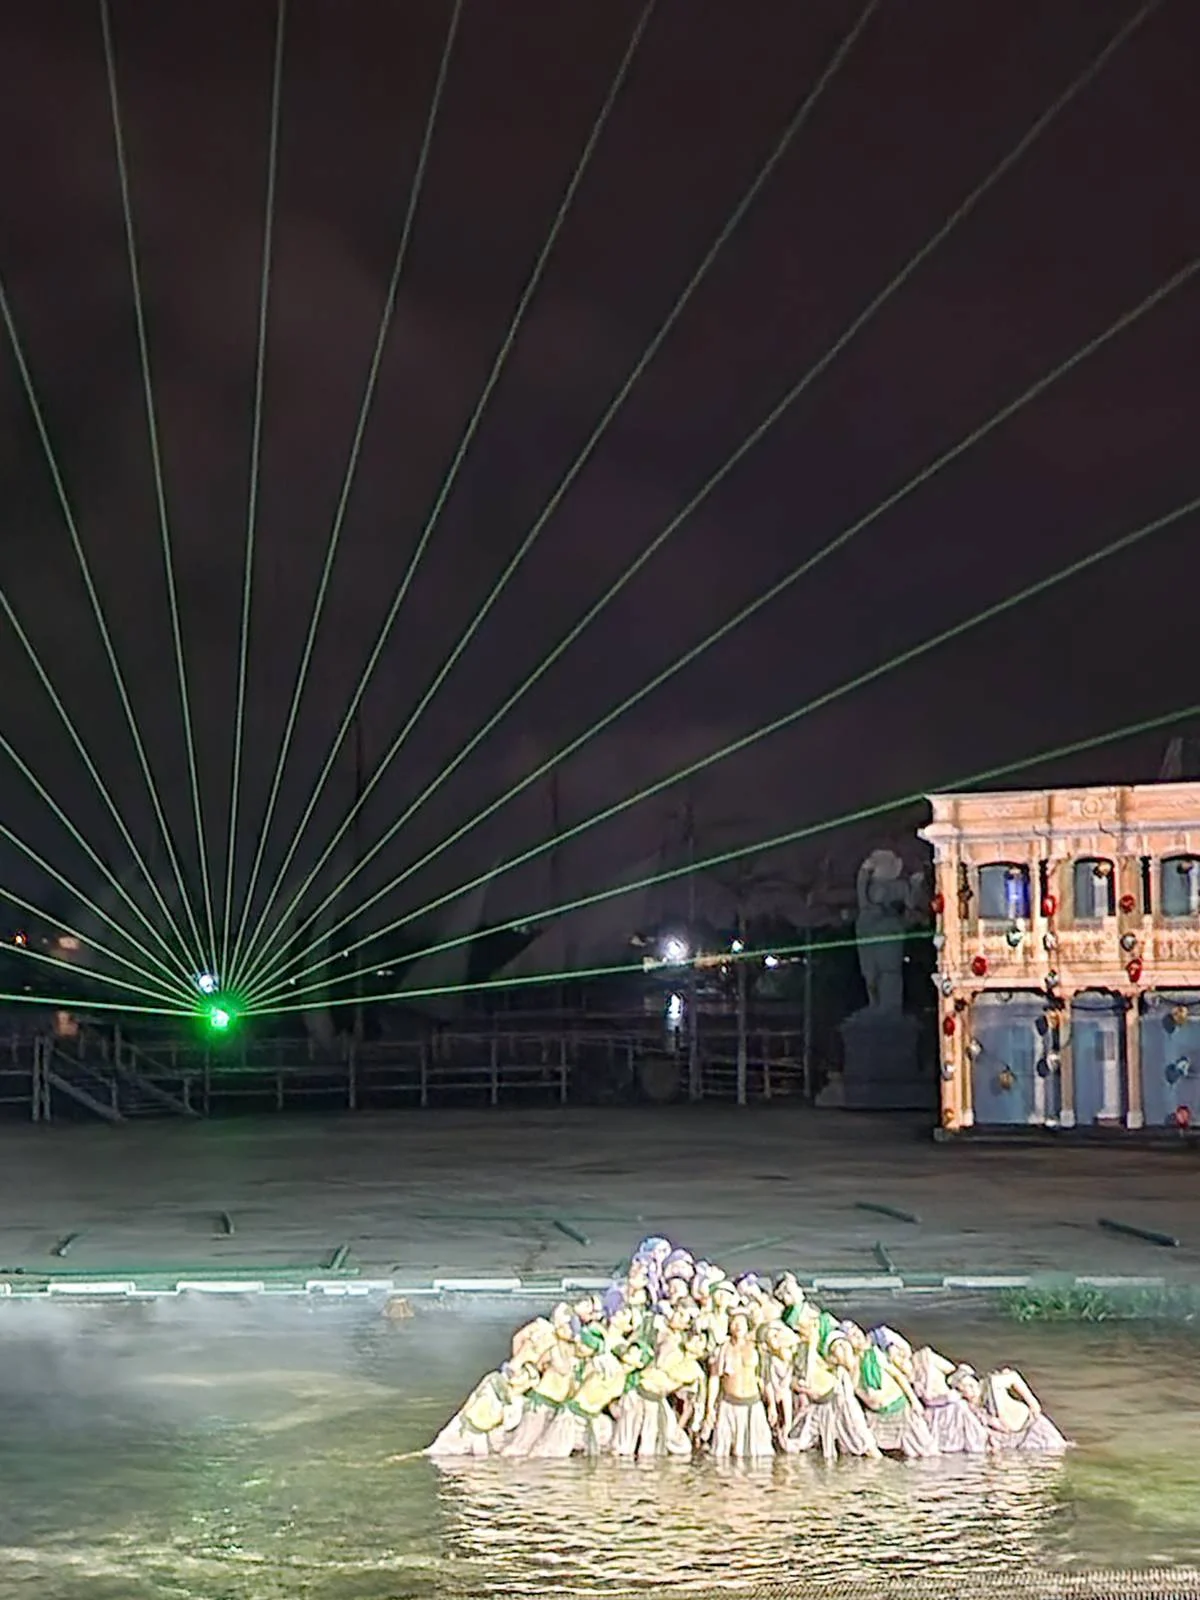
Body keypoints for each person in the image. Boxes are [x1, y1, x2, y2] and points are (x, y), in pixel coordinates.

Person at [702, 1311, 774, 1459]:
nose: (738, 1325)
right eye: (735, 1322)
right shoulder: (722, 1349)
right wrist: (709, 1407)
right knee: (722, 1454)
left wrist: (772, 1404)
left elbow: (765, 1380)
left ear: (748, 1326)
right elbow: (714, 1379)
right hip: (728, 1404)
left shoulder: (757, 1349)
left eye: (742, 1322)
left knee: (759, 1455)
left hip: (752, 1405)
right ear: (729, 1326)